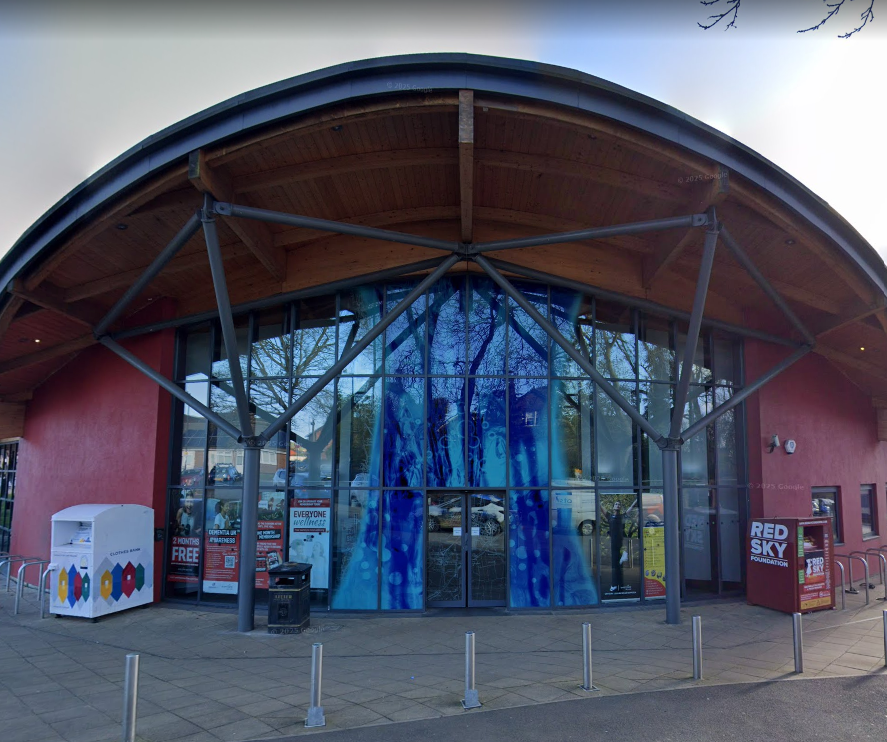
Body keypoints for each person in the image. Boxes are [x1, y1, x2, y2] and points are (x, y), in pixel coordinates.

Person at [607, 501, 625, 592]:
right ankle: (618, 585)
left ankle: (616, 585)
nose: (618, 505)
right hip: (613, 543)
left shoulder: (622, 516)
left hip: (620, 543)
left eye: (619, 504)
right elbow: (600, 508)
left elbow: (631, 508)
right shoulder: (609, 516)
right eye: (616, 504)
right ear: (613, 506)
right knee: (616, 565)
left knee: (616, 565)